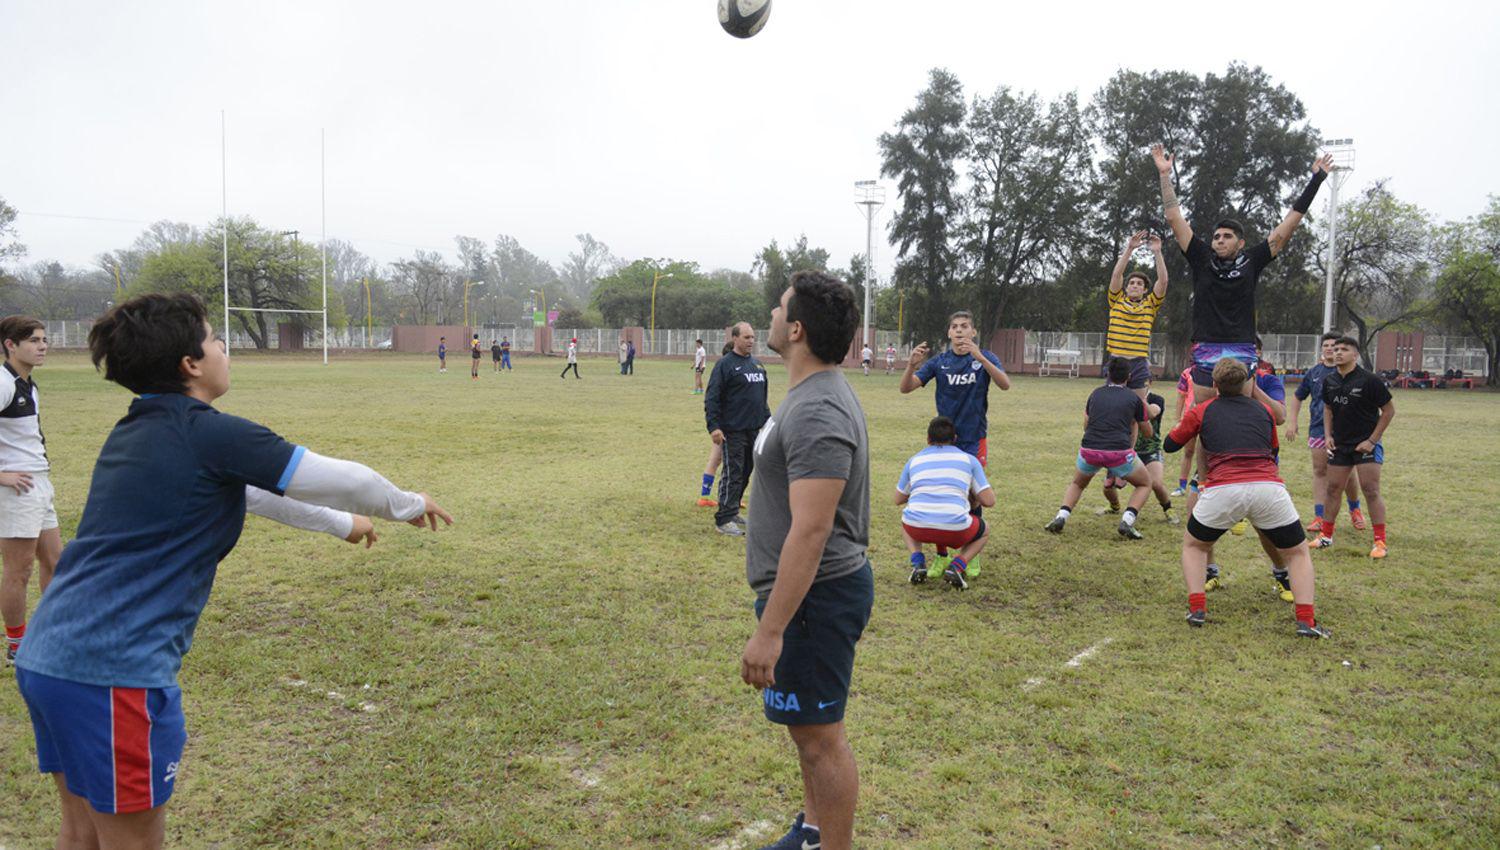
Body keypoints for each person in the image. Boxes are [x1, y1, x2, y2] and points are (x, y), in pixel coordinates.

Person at [12, 293, 453, 849]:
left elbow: (253, 494)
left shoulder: (138, 432)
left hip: (48, 659)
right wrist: (409, 503)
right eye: (216, 339)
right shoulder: (210, 433)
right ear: (190, 364)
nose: (224, 348)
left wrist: (345, 525)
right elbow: (350, 479)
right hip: (112, 674)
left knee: (80, 837)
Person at [740, 270, 870, 850]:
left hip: (815, 598)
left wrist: (772, 631)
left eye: (780, 306)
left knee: (821, 738)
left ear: (795, 329)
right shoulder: (807, 396)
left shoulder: (818, 410)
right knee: (806, 730)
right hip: (805, 597)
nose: (770, 312)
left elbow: (812, 530)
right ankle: (814, 831)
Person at [1154, 142, 1333, 404]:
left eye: (1227, 236)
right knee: (1206, 415)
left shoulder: (1253, 260)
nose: (1219, 240)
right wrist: (1164, 175)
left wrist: (1316, 181)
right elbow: (1173, 218)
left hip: (1242, 347)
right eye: (1216, 237)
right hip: (1206, 345)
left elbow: (1290, 223)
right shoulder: (1201, 256)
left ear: (1240, 243)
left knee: (1240, 409)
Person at [1161, 358, 1327, 637]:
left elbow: (1170, 444)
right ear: (1247, 384)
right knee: (1297, 553)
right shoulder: (1264, 411)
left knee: (1195, 546)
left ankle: (1197, 608)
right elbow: (1272, 451)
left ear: (1214, 385)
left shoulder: (1203, 410)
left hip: (1222, 489)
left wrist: (1188, 421)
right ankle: (1306, 621)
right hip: (1267, 487)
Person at [1, 316, 59, 665]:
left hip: (39, 482)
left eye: (44, 340)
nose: (42, 346)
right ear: (11, 344)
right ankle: (16, 644)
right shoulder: (3, 383)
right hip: (17, 489)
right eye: (34, 341)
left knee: (55, 561)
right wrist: (2, 476)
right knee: (18, 570)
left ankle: (49, 635)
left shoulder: (28, 385)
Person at [1044, 357, 1155, 539]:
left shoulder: (1095, 394)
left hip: (1089, 450)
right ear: (1129, 376)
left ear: (1108, 375)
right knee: (1145, 483)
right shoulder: (1133, 398)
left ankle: (1061, 516)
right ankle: (1127, 521)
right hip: (1118, 452)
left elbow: (1086, 425)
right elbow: (1148, 432)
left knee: (1078, 483)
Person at [899, 311, 1011, 470]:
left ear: (973, 332)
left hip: (974, 436)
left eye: (964, 326)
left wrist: (981, 359)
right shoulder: (939, 361)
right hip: (944, 437)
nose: (959, 330)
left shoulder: (986, 357)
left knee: (973, 489)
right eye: (954, 327)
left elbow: (1005, 385)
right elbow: (905, 388)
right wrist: (911, 366)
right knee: (946, 483)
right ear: (949, 333)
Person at [1316, 336, 1395, 558]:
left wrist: (1372, 441)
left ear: (1355, 355)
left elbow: (1389, 411)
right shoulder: (1329, 381)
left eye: (1344, 349)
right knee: (1332, 489)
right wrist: (1328, 435)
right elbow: (1328, 409)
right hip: (1340, 444)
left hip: (1366, 445)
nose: (1338, 352)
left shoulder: (1369, 380)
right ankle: (1325, 537)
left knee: (1370, 490)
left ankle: (1380, 542)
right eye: (1336, 349)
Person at [895, 416, 995, 590]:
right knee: (985, 531)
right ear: (955, 439)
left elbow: (898, 499)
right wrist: (972, 499)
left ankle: (918, 562)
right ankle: (957, 566)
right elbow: (989, 501)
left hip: (917, 528)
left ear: (927, 439)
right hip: (957, 529)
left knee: (907, 517)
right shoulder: (969, 460)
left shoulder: (914, 460)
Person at [1286, 332, 1364, 534]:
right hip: (1319, 430)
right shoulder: (1313, 373)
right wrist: (1292, 422)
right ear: (1322, 349)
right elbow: (1297, 397)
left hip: (1346, 432)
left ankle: (1355, 509)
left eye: (1335, 346)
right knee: (1320, 471)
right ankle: (1319, 516)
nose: (1330, 349)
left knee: (1348, 473)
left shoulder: (1352, 374)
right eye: (1327, 345)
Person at [704, 323, 768, 536]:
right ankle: (723, 519)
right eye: (747, 337)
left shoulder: (757, 365)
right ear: (735, 339)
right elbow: (712, 397)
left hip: (753, 430)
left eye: (753, 337)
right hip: (733, 430)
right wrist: (714, 426)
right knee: (734, 472)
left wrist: (768, 422)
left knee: (747, 470)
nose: (751, 341)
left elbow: (761, 399)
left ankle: (732, 510)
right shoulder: (725, 365)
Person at [1105, 230, 1169, 401]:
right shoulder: (1116, 300)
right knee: (1114, 405)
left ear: (1145, 289)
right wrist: (1129, 249)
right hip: (1117, 362)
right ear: (1126, 287)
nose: (1135, 285)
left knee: (1137, 408)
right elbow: (1116, 274)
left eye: (1139, 284)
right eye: (1132, 283)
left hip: (1138, 363)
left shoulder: (1150, 305)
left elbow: (1163, 282)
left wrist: (1157, 252)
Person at [1099, 385, 1176, 525]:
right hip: (1125, 450)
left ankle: (1168, 508)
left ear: (1149, 384)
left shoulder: (1157, 399)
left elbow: (1153, 412)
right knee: (1108, 486)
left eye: (1142, 384)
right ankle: (1114, 506)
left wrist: (1138, 398)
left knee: (1156, 483)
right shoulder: (1124, 400)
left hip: (1150, 450)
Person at [1170, 363, 1198, 496]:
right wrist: (1178, 420)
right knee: (1188, 451)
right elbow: (1181, 397)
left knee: (1207, 453)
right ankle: (1181, 487)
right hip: (1190, 418)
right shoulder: (1187, 373)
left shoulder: (1213, 370)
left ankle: (1203, 485)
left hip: (1208, 417)